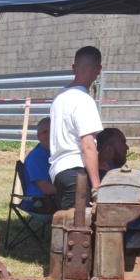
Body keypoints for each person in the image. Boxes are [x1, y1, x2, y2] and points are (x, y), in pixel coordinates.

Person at [49, 46, 103, 209]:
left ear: (74, 68)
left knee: (68, 226)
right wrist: (96, 187)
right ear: (98, 70)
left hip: (59, 171)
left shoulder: (60, 97)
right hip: (75, 172)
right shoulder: (84, 100)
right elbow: (88, 146)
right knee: (76, 229)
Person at [21, 117, 56, 212]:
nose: (49, 135)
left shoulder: (54, 153)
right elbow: (47, 189)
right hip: (40, 202)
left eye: (52, 131)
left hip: (53, 198)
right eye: (45, 132)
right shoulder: (36, 157)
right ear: (38, 136)